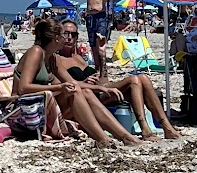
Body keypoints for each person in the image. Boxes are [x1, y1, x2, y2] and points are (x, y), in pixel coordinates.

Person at [13, 19, 140, 147]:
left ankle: (124, 137)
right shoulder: (36, 52)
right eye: (64, 34)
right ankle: (103, 138)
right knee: (74, 91)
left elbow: (72, 82)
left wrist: (101, 88)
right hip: (23, 110)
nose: (66, 38)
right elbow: (23, 88)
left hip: (41, 105)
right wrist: (60, 87)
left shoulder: (52, 58)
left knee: (86, 91)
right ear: (56, 38)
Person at [51, 17, 179, 139]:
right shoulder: (57, 60)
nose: (69, 37)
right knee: (133, 80)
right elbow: (59, 86)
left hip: (98, 94)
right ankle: (145, 128)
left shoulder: (79, 58)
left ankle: (166, 126)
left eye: (73, 34)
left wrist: (102, 55)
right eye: (66, 33)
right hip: (81, 99)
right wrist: (84, 82)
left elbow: (103, 82)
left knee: (143, 78)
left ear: (77, 38)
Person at [77, 0, 116, 78]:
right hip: (90, 16)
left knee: (101, 42)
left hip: (101, 16)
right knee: (93, 44)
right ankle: (97, 68)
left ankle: (103, 68)